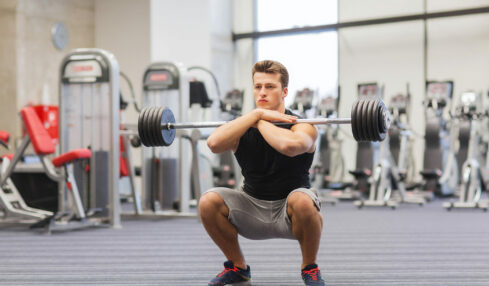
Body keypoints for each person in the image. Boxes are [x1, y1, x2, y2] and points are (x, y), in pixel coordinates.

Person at [199, 60, 325, 286]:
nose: (262, 92)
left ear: (284, 91)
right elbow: (214, 143)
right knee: (208, 201)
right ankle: (238, 268)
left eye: (270, 86)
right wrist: (256, 116)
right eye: (258, 87)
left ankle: (310, 268)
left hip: (291, 211)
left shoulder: (303, 124)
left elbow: (289, 147)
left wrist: (258, 120)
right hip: (251, 208)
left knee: (303, 200)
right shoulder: (244, 124)